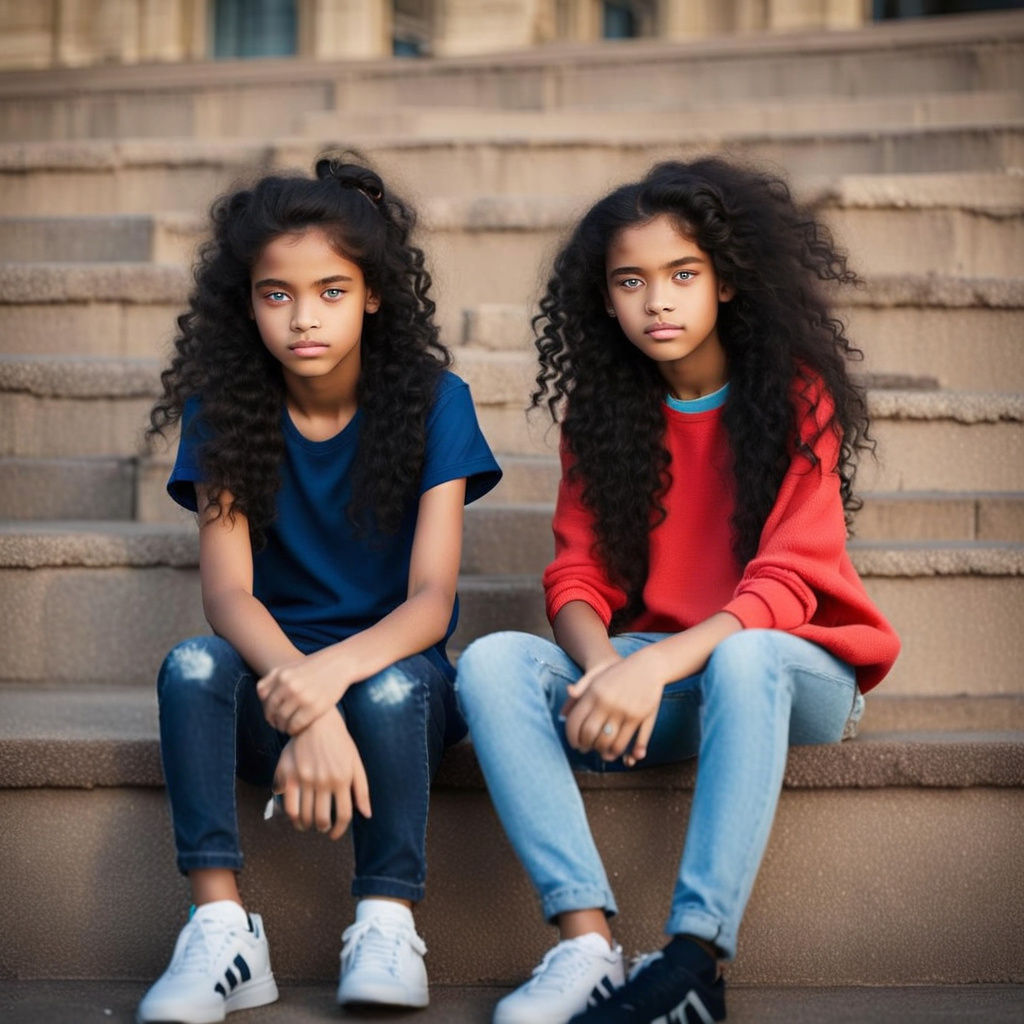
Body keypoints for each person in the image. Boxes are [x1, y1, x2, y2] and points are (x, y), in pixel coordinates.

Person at [455, 157, 900, 1024]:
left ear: (726, 282)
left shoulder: (796, 394)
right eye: (631, 281)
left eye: (682, 274)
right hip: (659, 676)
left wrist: (648, 670)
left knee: (745, 658)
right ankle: (587, 947)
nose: (657, 300)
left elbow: (788, 583)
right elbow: (577, 572)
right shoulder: (604, 414)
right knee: (493, 661)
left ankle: (695, 960)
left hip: (792, 672)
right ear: (606, 300)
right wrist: (600, 669)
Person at [137, 155, 501, 1023]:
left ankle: (386, 919)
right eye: (277, 295)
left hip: (397, 684)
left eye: (332, 291)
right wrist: (304, 702)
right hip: (275, 678)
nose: (304, 318)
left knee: (393, 684)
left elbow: (431, 603)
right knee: (191, 666)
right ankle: (221, 927)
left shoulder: (433, 401)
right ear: (248, 301)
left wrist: (328, 684)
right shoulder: (223, 408)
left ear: (373, 293)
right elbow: (228, 597)